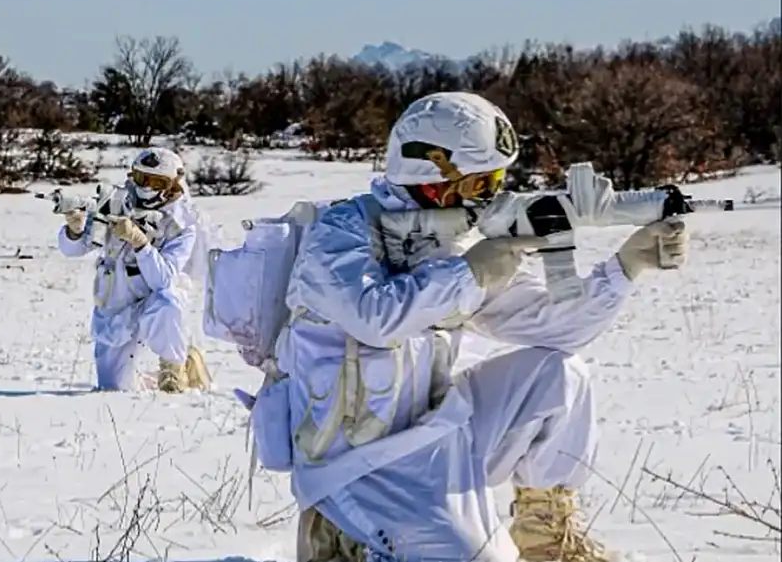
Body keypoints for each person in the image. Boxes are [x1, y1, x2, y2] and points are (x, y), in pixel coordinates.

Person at [266, 92, 688, 562]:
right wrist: (469, 272)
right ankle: (344, 542)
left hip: (436, 433)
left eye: (498, 180)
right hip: (355, 466)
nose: (489, 195)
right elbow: (375, 318)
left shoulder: (457, 242)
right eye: (480, 180)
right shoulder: (340, 231)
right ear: (429, 170)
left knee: (560, 375)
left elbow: (555, 327)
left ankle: (546, 536)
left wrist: (625, 266)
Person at [57, 146, 212, 394]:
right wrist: (74, 230)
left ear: (172, 183)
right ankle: (180, 365)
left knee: (169, 302)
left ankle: (174, 367)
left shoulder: (182, 226)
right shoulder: (115, 202)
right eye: (141, 178)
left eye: (156, 181)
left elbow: (163, 280)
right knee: (114, 388)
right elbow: (72, 250)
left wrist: (141, 243)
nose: (146, 187)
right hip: (115, 307)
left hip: (152, 302)